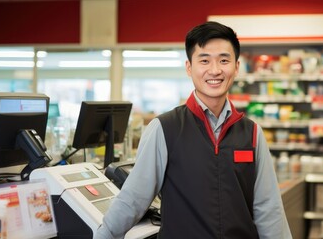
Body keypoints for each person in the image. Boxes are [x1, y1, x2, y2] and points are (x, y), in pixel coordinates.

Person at [95, 21, 292, 239]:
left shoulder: (252, 134)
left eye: (224, 60)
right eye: (204, 60)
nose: (215, 70)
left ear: (236, 67)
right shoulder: (164, 129)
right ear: (189, 67)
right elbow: (133, 199)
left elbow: (269, 210)